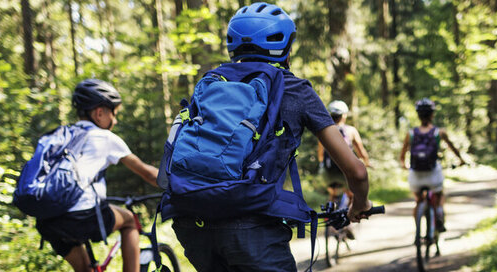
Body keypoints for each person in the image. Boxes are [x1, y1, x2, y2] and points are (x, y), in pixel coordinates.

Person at [168, 3, 371, 271]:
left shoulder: (211, 83)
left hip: (191, 225)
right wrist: (360, 203)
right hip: (252, 230)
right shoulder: (294, 88)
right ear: (286, 47)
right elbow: (356, 172)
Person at [35, 79, 160, 272]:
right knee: (129, 221)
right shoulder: (104, 137)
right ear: (100, 113)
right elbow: (149, 174)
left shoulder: (56, 136)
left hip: (47, 219)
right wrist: (182, 184)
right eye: (114, 114)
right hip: (82, 216)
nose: (115, 121)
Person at [399, 98, 467, 233]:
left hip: (416, 175)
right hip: (433, 174)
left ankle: (418, 229)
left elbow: (402, 156)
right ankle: (439, 215)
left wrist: (404, 165)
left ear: (418, 115)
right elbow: (453, 149)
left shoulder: (410, 133)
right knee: (440, 195)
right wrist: (461, 160)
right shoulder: (439, 132)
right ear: (432, 114)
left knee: (418, 201)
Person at [317, 100, 371, 206]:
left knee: (332, 194)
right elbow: (361, 152)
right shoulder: (351, 130)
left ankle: (330, 217)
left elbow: (320, 155)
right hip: (345, 171)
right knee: (351, 194)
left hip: (329, 174)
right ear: (344, 115)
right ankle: (350, 216)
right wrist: (366, 162)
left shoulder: (323, 131)